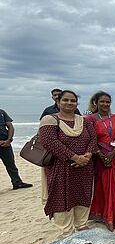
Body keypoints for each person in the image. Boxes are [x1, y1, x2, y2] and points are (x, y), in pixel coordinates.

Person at [39, 90, 97, 236]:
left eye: (73, 100)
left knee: (83, 195)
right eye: (66, 100)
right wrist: (75, 157)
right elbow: (50, 142)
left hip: (84, 167)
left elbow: (93, 139)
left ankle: (82, 225)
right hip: (61, 168)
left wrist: (87, 156)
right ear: (58, 102)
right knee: (61, 197)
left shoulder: (83, 120)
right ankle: (67, 232)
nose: (70, 103)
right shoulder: (49, 120)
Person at [86, 91, 115, 230]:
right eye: (102, 101)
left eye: (107, 102)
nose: (105, 104)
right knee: (102, 186)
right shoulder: (90, 119)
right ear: (95, 103)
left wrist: (114, 152)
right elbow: (89, 139)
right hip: (99, 158)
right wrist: (100, 154)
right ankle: (106, 214)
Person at [0, 109, 33, 190]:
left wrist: (9, 140)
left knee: (11, 164)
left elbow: (10, 126)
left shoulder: (2, 112)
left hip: (5, 143)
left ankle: (17, 183)